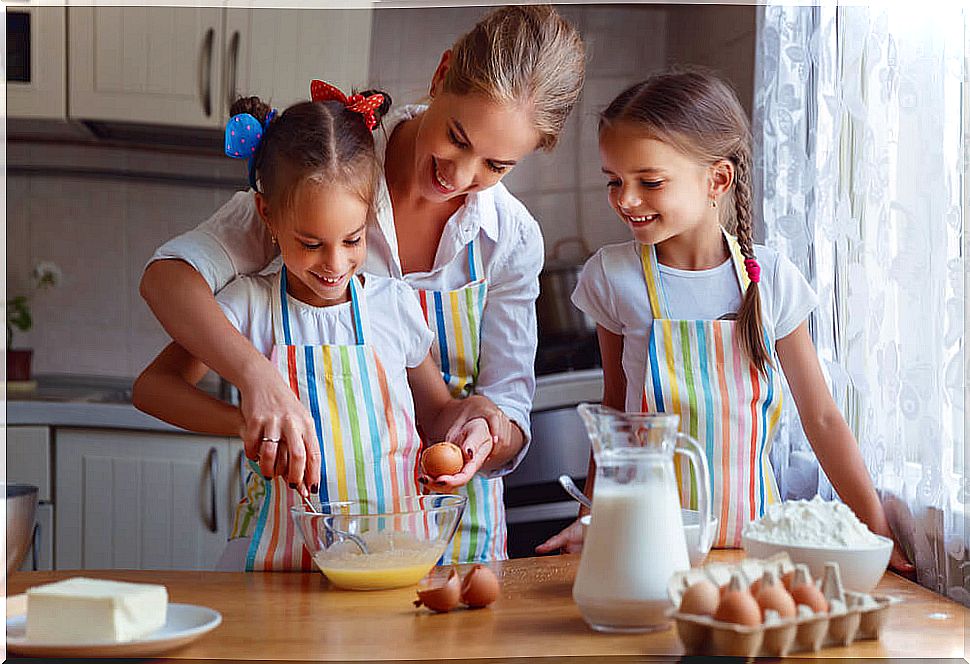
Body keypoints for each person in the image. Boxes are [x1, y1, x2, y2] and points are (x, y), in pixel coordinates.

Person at [138, 5, 586, 563]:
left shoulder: (511, 238)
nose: (461, 176)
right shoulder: (328, 174)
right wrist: (257, 380)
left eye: (496, 165)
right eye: (457, 137)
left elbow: (496, 406)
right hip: (299, 539)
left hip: (454, 535)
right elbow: (169, 280)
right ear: (442, 74)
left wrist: (485, 430)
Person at [535, 70, 914, 573]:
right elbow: (614, 419)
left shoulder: (771, 277)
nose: (625, 199)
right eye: (614, 181)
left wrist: (876, 534)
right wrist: (593, 520)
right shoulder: (612, 275)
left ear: (717, 178)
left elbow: (821, 418)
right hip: (647, 548)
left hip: (758, 552)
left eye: (649, 181)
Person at [133, 92, 503, 571]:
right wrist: (242, 424)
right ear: (267, 215)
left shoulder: (392, 306)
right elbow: (152, 389)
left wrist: (467, 427)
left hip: (395, 566)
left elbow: (438, 415)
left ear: (369, 214)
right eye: (310, 244)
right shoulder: (249, 307)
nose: (334, 264)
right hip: (284, 572)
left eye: (352, 240)